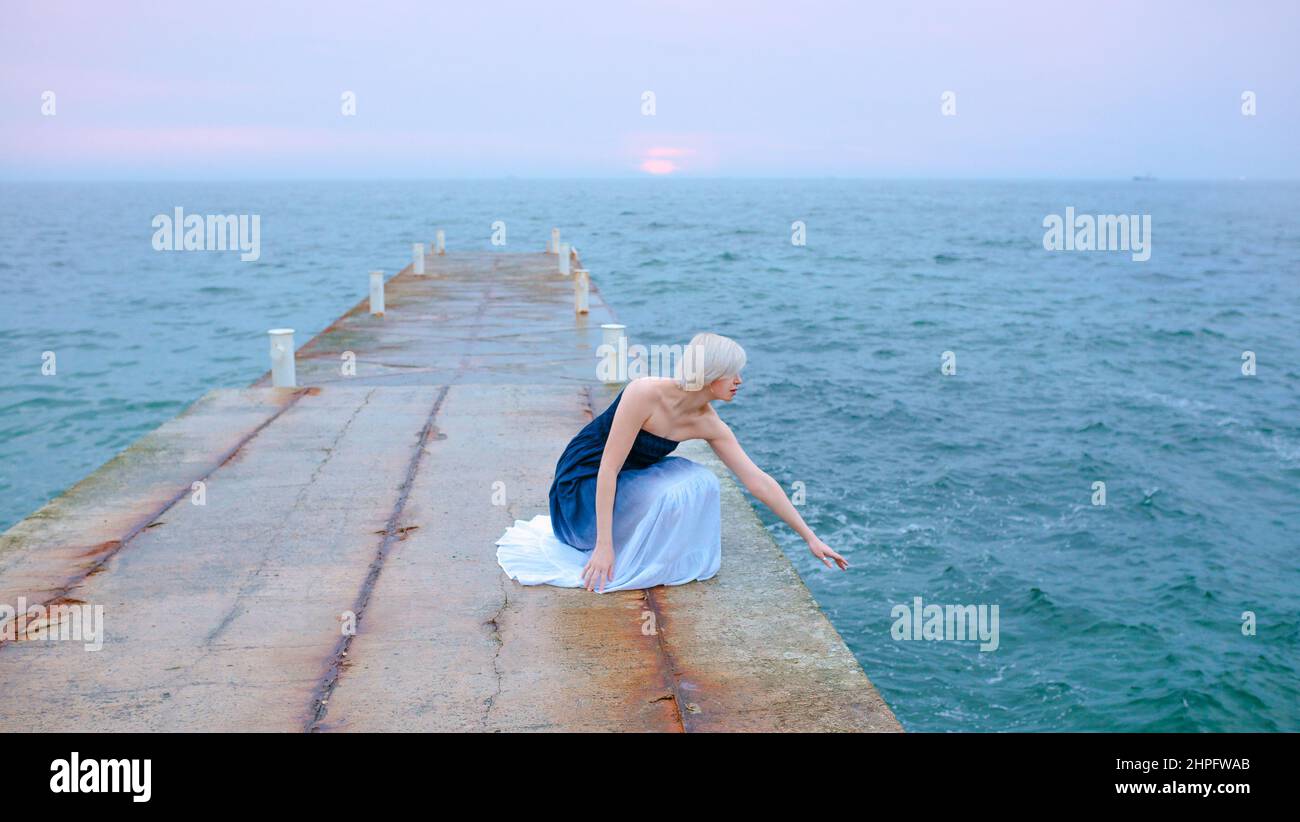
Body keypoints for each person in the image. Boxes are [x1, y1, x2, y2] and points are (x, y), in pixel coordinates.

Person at [495, 332, 848, 593]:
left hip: (628, 481)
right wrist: (604, 546)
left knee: (701, 481)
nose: (740, 382)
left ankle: (660, 556)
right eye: (732, 374)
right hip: (582, 489)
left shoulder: (709, 423)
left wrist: (810, 538)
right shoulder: (645, 393)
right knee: (673, 489)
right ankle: (615, 545)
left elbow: (758, 481)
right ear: (710, 374)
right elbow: (608, 469)